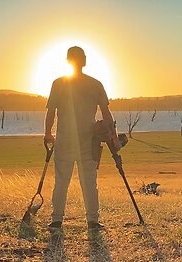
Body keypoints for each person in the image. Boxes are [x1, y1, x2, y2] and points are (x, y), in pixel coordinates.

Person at [44, 46, 115, 230]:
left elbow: (51, 112)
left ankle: (57, 220)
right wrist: (113, 138)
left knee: (62, 181)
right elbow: (107, 114)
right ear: (83, 61)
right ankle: (92, 220)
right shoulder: (95, 84)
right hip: (85, 141)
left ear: (68, 60)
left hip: (67, 141)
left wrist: (47, 134)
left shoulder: (58, 83)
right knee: (89, 182)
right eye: (82, 57)